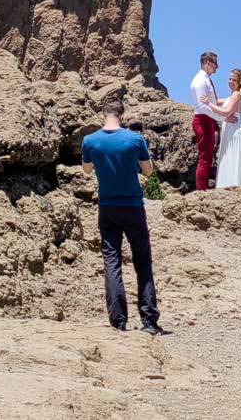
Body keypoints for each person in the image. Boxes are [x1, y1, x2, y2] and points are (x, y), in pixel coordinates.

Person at [81, 100, 164, 335]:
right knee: (142, 262)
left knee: (112, 261)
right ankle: (149, 320)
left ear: (102, 115)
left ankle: (119, 321)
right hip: (133, 206)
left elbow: (86, 170)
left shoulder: (90, 141)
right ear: (122, 115)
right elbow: (148, 171)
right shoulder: (135, 140)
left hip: (107, 207)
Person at [190, 51, 223, 191]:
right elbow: (202, 106)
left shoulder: (205, 79)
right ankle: (200, 191)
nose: (217, 67)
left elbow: (211, 101)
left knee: (208, 157)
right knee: (204, 158)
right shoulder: (200, 80)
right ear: (207, 63)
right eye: (215, 63)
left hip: (207, 120)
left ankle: (202, 189)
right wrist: (220, 117)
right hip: (203, 120)